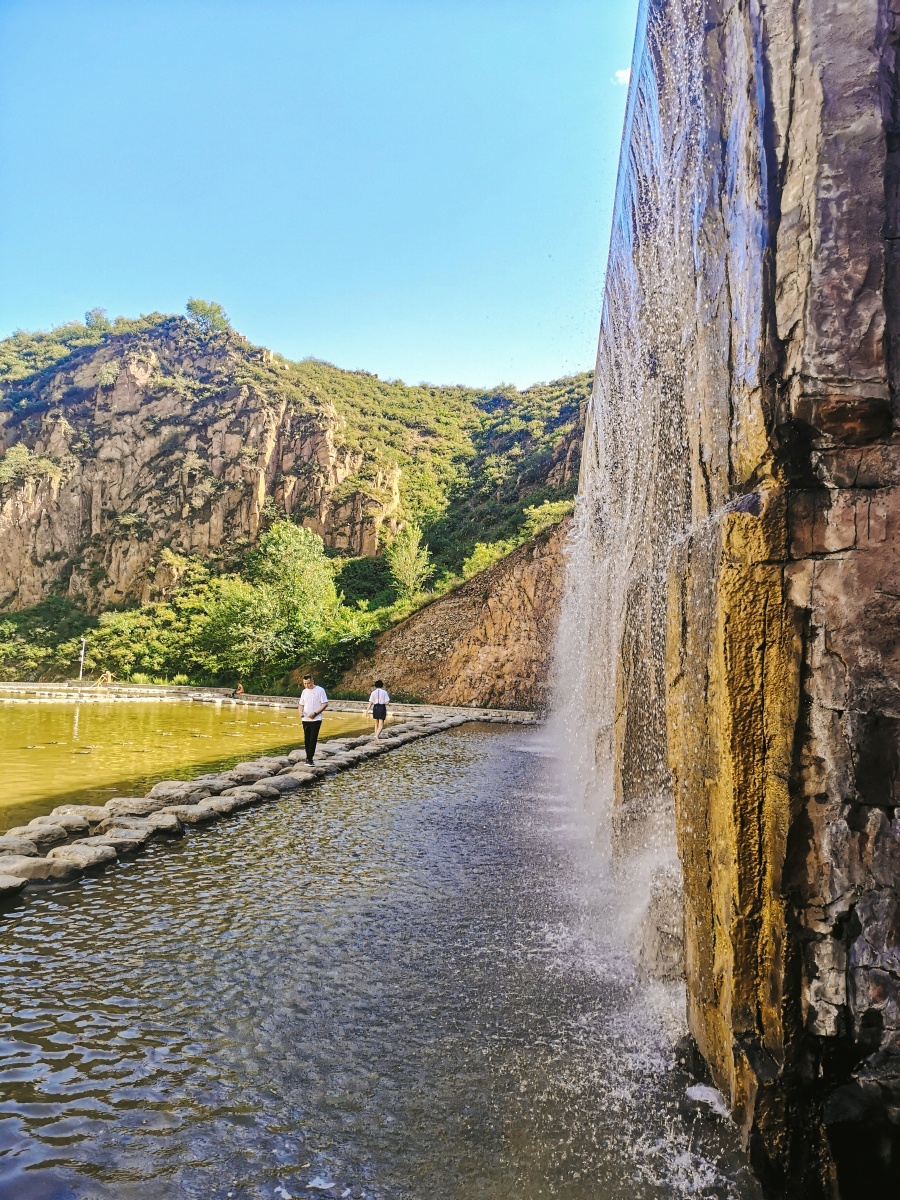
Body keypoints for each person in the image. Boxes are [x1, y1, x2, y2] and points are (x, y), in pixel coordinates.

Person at [298, 672, 329, 763]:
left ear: (312, 681)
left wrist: (315, 713)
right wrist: (300, 713)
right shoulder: (304, 692)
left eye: (308, 683)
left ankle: (310, 758)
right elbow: (301, 705)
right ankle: (308, 756)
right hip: (305, 718)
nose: (306, 685)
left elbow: (325, 704)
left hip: (316, 718)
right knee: (306, 738)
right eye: (304, 684)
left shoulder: (320, 690)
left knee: (313, 738)